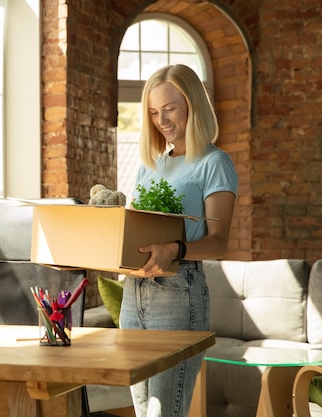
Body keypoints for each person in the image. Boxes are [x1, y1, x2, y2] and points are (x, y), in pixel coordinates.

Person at [119, 64, 238, 417]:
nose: (162, 120)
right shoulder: (151, 164)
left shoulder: (215, 162)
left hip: (178, 292)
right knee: (142, 409)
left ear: (193, 104)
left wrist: (176, 249)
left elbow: (219, 243)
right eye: (154, 112)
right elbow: (139, 229)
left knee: (163, 412)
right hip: (134, 290)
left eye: (169, 108)